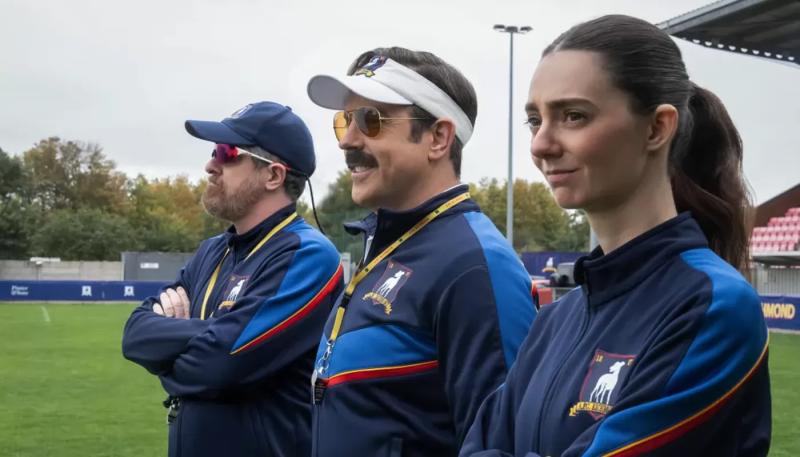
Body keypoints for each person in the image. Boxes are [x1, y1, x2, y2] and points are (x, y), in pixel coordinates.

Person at [461, 14, 771, 457]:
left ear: (657, 128)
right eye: (534, 120)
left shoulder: (713, 306)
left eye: (573, 116)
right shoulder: (555, 320)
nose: (540, 144)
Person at [305, 47, 537, 457]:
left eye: (370, 120)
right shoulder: (391, 243)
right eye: (345, 120)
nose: (347, 140)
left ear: (438, 138)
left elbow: (503, 443)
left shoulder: (477, 266)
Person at [121, 101, 344, 457]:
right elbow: (135, 334)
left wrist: (168, 357)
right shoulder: (212, 250)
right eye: (214, 152)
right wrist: (211, 333)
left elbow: (218, 365)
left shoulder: (307, 254)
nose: (211, 165)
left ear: (273, 176)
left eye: (227, 153)